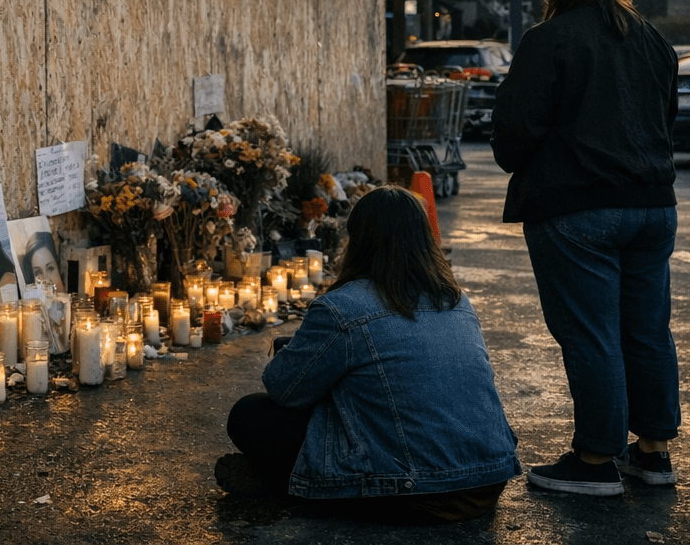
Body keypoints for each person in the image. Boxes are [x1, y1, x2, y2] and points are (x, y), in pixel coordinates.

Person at [491, 0, 681, 496]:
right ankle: (652, 452)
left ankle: (596, 460)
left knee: (591, 334)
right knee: (646, 332)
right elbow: (664, 122)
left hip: (577, 212)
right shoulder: (651, 39)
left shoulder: (548, 40)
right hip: (652, 207)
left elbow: (513, 136)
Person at [221, 187, 520, 524]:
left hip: (418, 492)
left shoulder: (343, 307)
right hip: (486, 480)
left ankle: (289, 486)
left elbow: (283, 390)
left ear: (358, 240)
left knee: (249, 414)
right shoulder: (455, 299)